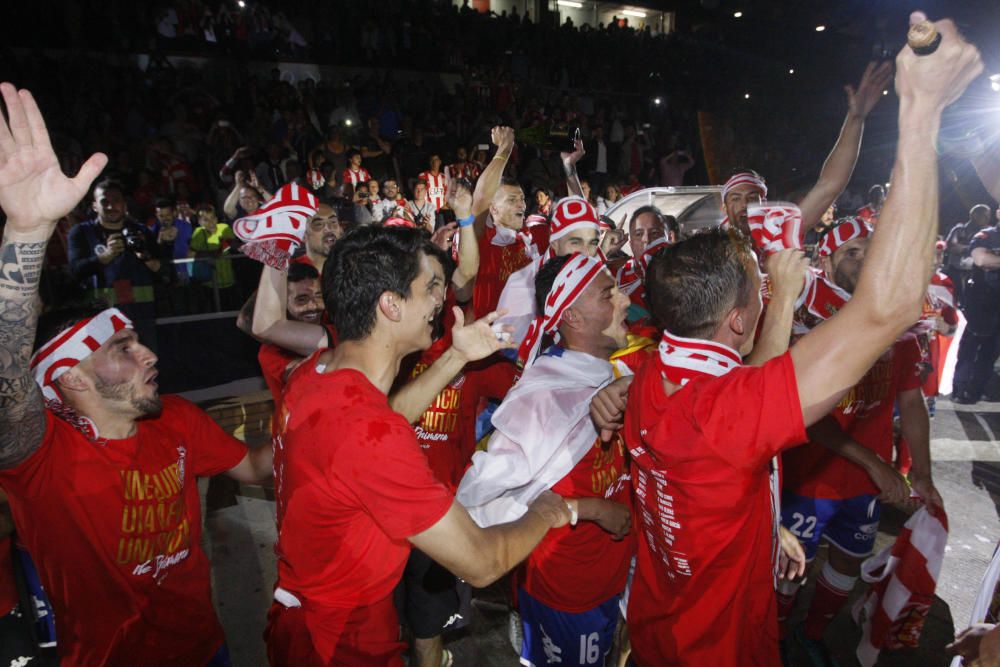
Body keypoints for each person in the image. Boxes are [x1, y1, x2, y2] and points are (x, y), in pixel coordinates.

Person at [588, 20, 982, 663]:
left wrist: (763, 529)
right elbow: (889, 308)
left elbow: (730, 419)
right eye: (761, 284)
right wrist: (923, 109)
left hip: (665, 619)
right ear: (740, 317)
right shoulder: (724, 412)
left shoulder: (649, 374)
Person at [0, 82, 275, 665]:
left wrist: (319, 417)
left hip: (208, 650)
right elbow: (5, 381)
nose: (150, 355)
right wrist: (26, 233)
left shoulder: (175, 418)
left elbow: (252, 466)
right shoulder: (41, 457)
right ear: (69, 378)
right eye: (123, 348)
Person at [265, 225, 576, 665]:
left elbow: (382, 422)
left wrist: (457, 356)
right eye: (431, 287)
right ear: (390, 305)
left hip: (309, 617)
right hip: (341, 642)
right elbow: (482, 561)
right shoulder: (367, 433)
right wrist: (551, 509)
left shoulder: (315, 373)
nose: (440, 300)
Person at [459, 253, 635, 667]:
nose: (625, 300)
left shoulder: (612, 372)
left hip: (609, 578)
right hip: (565, 594)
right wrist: (586, 509)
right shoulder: (543, 401)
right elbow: (479, 501)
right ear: (572, 316)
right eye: (608, 294)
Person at [777, 217, 941, 661]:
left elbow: (911, 401)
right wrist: (876, 463)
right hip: (806, 476)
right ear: (826, 259)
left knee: (848, 560)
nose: (865, 259)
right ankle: (771, 636)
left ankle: (810, 635)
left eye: (871, 249)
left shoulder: (895, 317)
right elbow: (806, 415)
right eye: (852, 251)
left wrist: (921, 474)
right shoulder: (804, 319)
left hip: (864, 482)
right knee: (789, 568)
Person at [721, 61, 894, 238]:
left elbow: (829, 185)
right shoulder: (707, 247)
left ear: (763, 204)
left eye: (751, 198)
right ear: (724, 207)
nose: (744, 205)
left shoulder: (777, 237)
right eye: (736, 198)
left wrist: (856, 119)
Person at [68, 178, 169, 349]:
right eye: (104, 201)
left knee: (145, 366)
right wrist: (103, 257)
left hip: (141, 317)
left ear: (124, 204)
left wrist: (147, 259)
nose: (110, 206)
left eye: (116, 201)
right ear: (94, 206)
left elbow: (166, 272)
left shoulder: (141, 232)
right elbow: (74, 272)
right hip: (100, 317)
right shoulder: (82, 233)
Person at [472, 127, 550, 319]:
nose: (521, 204)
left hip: (530, 343)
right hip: (488, 342)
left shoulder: (536, 235)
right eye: (512, 199)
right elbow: (481, 198)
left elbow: (577, 229)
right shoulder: (482, 238)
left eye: (522, 198)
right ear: (493, 208)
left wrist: (570, 170)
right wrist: (505, 149)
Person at [953, 209, 1000, 404]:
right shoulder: (987, 235)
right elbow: (981, 259)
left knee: (992, 350)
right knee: (972, 346)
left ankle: (978, 389)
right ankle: (961, 388)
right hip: (983, 301)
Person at [944, 203, 992, 306]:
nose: (988, 218)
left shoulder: (990, 233)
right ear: (974, 215)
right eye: (984, 215)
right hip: (955, 273)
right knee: (950, 304)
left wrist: (965, 248)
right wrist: (973, 249)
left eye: (988, 216)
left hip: (977, 275)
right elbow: (952, 246)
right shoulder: (959, 229)